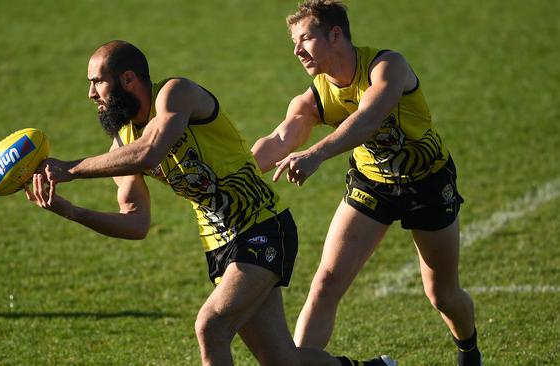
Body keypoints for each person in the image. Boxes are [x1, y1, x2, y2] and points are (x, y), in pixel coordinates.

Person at [24, 40, 396, 366]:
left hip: (264, 226)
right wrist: (70, 211)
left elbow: (152, 151)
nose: (91, 95)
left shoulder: (175, 93)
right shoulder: (122, 145)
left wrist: (71, 168)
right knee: (284, 360)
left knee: (210, 325)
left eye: (97, 82)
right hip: (221, 249)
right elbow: (136, 224)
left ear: (128, 79)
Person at [251, 1, 481, 365]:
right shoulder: (314, 97)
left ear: (336, 35)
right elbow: (280, 139)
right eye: (294, 43)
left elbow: (369, 118)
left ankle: (468, 348)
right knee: (325, 283)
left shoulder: (388, 67)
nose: (297, 50)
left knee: (442, 294)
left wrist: (315, 155)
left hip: (428, 184)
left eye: (305, 39)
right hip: (372, 185)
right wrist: (237, 174)